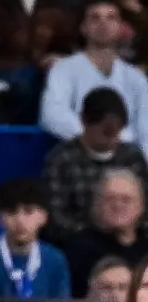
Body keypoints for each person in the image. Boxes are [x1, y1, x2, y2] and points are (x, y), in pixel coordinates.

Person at [42, 0, 148, 139]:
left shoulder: (136, 78)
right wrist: (97, 137)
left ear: (120, 27)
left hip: (126, 155)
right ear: (83, 27)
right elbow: (52, 115)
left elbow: (144, 128)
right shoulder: (63, 69)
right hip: (78, 151)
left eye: (111, 18)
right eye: (95, 18)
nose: (103, 24)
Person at [44, 89, 148, 234]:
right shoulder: (62, 159)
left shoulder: (132, 157)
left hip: (131, 239)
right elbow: (55, 216)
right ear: (84, 121)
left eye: (117, 131)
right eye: (105, 132)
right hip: (80, 241)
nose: (111, 138)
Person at [0, 179, 73, 299]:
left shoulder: (55, 260)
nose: (20, 220)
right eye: (12, 212)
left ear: (44, 217)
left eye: (29, 211)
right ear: (0, 217)